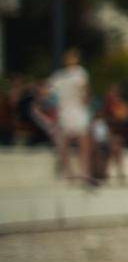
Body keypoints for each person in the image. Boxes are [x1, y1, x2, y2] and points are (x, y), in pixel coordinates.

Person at [46, 47, 95, 186]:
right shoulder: (63, 76)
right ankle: (74, 173)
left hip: (74, 111)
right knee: (73, 143)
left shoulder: (69, 74)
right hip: (70, 111)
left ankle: (80, 172)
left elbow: (49, 93)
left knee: (79, 142)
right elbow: (85, 92)